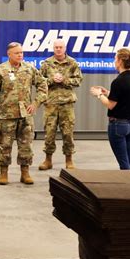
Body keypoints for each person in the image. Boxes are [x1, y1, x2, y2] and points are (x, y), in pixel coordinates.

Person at [0, 42, 48, 185]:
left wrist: (36, 103)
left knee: (26, 145)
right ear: (9, 54)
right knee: (5, 145)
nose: (20, 55)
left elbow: (43, 85)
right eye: (17, 53)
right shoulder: (0, 70)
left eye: (21, 52)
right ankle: (4, 173)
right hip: (6, 115)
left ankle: (25, 173)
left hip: (25, 115)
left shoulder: (29, 68)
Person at [90, 48, 130, 170]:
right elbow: (124, 97)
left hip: (118, 125)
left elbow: (111, 105)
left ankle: (128, 186)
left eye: (115, 58)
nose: (114, 61)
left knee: (123, 162)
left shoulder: (118, 81)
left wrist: (99, 94)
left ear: (120, 61)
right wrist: (107, 92)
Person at [38, 39, 83, 171]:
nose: (58, 49)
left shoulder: (72, 63)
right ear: (53, 48)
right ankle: (48, 160)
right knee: (49, 133)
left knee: (68, 133)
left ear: (65, 48)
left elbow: (78, 80)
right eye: (56, 47)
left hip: (66, 104)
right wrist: (51, 80)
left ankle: (69, 160)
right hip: (50, 104)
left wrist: (65, 80)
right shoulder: (46, 63)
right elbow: (40, 81)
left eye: (60, 47)